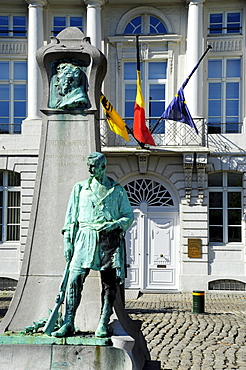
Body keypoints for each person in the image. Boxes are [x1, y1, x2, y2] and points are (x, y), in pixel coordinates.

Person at [52, 152, 134, 338]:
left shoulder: (117, 189)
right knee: (74, 279)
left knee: (109, 283)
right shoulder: (80, 188)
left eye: (93, 167)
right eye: (88, 166)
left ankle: (103, 321)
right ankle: (68, 322)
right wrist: (67, 241)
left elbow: (129, 216)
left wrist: (115, 224)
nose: (90, 170)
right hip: (84, 238)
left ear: (102, 167)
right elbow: (71, 218)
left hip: (109, 240)